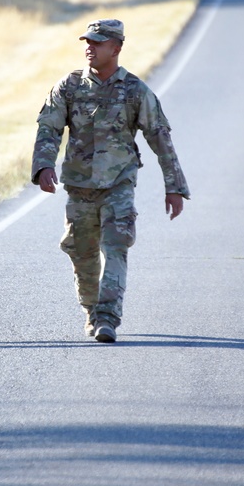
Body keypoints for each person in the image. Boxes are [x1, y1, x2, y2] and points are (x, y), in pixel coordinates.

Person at [31, 19, 190, 343]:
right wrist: (44, 166)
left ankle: (107, 317)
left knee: (116, 245)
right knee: (82, 252)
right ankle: (92, 311)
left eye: (98, 42)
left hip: (119, 185)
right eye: (87, 42)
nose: (89, 47)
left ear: (116, 48)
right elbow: (49, 127)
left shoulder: (134, 91)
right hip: (79, 187)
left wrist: (174, 187)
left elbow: (160, 139)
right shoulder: (70, 86)